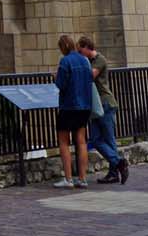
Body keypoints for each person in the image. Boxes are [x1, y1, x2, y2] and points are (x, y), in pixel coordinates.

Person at [78, 34, 129, 185]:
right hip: (95, 106)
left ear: (87, 47)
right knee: (95, 139)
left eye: (80, 51)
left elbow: (90, 76)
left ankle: (114, 173)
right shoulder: (88, 61)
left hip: (105, 103)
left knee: (108, 139)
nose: (80, 54)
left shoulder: (100, 59)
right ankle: (118, 163)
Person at [53, 33, 92, 189]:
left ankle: (68, 179)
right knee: (81, 141)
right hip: (85, 105)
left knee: (64, 141)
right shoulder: (84, 60)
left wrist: (55, 77)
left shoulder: (65, 61)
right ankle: (82, 179)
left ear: (63, 47)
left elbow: (61, 84)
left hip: (69, 105)